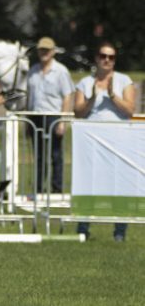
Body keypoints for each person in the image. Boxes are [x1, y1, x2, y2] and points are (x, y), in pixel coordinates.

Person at [74, 42, 135, 242]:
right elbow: (78, 112)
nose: (107, 60)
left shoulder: (124, 81)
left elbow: (129, 110)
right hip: (91, 140)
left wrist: (111, 95)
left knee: (119, 185)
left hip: (118, 140)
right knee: (88, 184)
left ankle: (119, 232)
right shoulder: (85, 83)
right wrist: (92, 98)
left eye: (111, 57)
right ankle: (83, 228)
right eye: (103, 56)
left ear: (114, 60)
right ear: (96, 58)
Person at [26, 37, 74, 193]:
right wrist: (27, 119)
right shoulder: (32, 70)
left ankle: (57, 188)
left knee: (55, 155)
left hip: (53, 116)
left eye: (47, 50)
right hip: (35, 116)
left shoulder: (61, 71)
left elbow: (67, 95)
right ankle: (39, 188)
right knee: (39, 155)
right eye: (41, 50)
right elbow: (29, 95)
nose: (44, 53)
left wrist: (62, 120)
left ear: (53, 52)